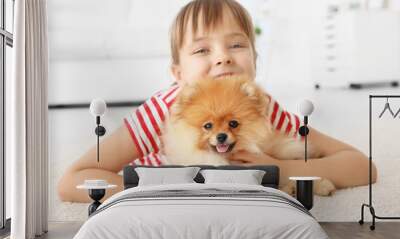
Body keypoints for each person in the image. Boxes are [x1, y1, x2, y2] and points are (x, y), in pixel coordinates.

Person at [57, 0, 377, 203]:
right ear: (178, 74)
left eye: (236, 44)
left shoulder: (260, 107)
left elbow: (362, 167)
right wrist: (150, 193)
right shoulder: (163, 111)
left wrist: (283, 168)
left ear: (254, 60)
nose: (223, 58)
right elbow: (73, 179)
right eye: (202, 50)